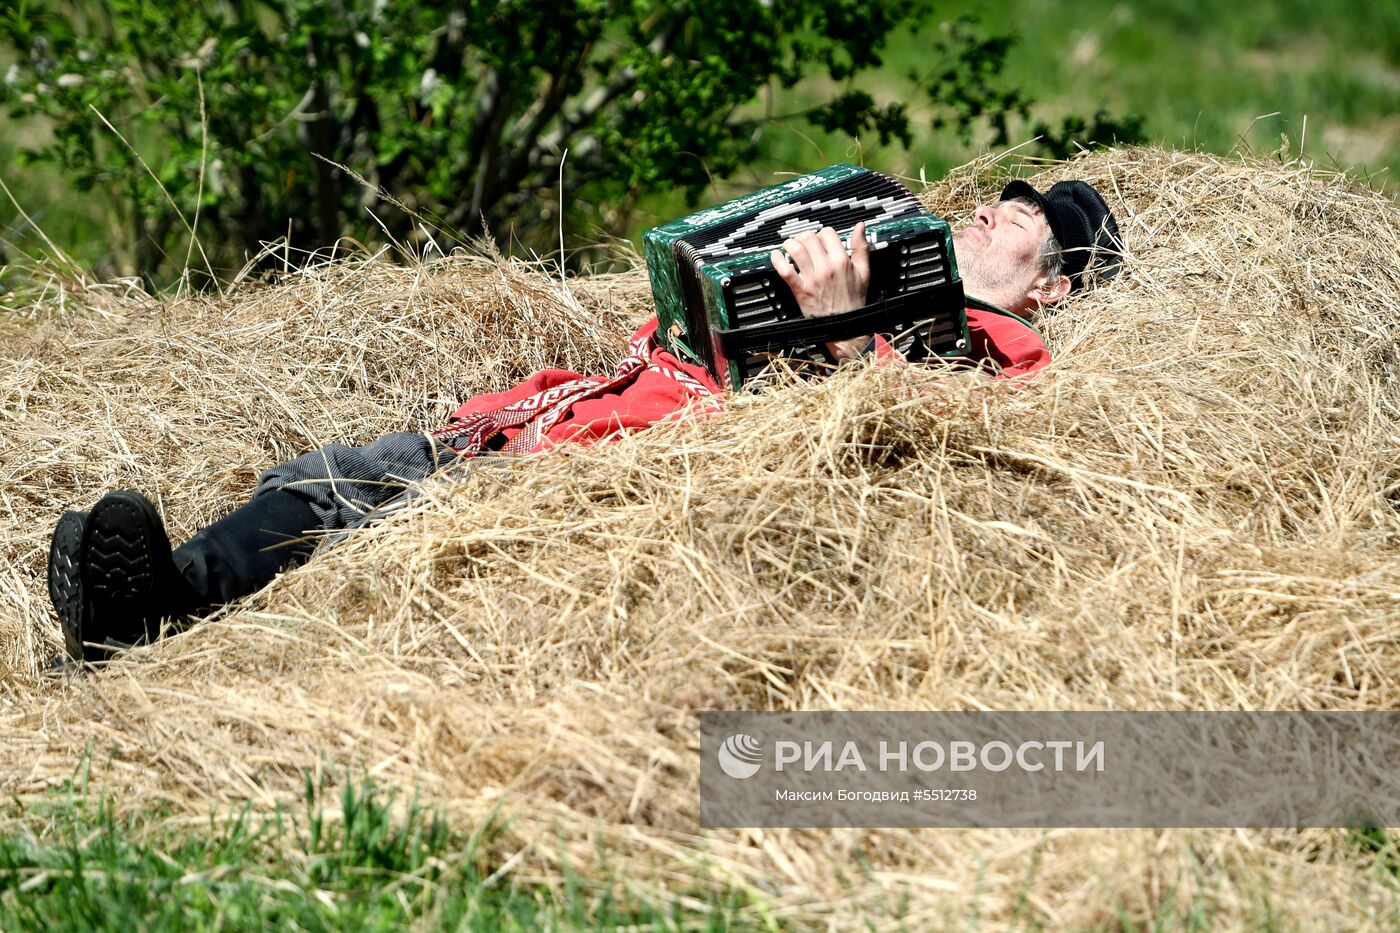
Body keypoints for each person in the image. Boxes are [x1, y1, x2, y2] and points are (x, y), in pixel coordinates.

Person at [46, 177, 1122, 663]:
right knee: (341, 472)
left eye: (1024, 222)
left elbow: (904, 464)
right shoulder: (880, 238)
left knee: (374, 510)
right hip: (568, 417)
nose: (992, 209)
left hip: (621, 482)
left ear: (1053, 288)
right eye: (1000, 196)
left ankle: (156, 615)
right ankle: (156, 598)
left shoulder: (997, 350)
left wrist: (840, 337)